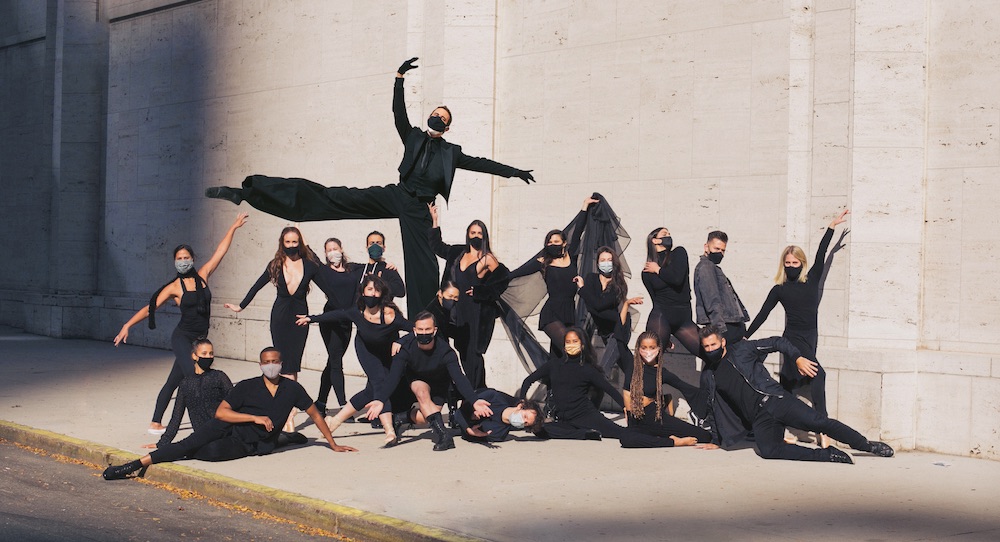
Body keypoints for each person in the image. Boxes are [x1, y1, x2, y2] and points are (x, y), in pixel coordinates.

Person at [205, 57, 534, 318]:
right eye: (434, 113)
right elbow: (398, 114)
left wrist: (515, 172)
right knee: (336, 197)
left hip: (420, 208)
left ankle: (426, 323)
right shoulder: (415, 136)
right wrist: (399, 79)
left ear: (447, 127)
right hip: (396, 195)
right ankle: (248, 193)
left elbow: (482, 163)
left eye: (441, 117)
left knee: (424, 267)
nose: (436, 118)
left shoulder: (452, 153)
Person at [102, 347, 357, 480]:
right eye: (266, 362)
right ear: (260, 365)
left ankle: (286, 438)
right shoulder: (247, 386)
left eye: (275, 361)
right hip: (228, 427)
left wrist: (332, 444)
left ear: (281, 364)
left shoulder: (293, 389)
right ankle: (134, 465)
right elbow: (223, 413)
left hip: (251, 443)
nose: (271, 366)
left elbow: (314, 414)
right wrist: (253, 417)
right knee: (187, 443)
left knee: (210, 453)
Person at [114, 212, 248, 434]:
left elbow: (220, 252)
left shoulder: (203, 275)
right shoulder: (173, 287)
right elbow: (150, 308)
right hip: (182, 338)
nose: (183, 261)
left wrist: (233, 227)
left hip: (199, 341)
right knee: (195, 379)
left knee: (173, 380)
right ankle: (206, 424)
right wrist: (127, 325)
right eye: (179, 258)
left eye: (187, 257)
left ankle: (156, 422)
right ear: (174, 262)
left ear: (193, 259)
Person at [697, 325, 894, 463]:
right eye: (706, 347)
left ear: (722, 342)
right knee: (769, 451)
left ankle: (867, 446)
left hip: (777, 400)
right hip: (759, 417)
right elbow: (713, 407)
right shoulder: (710, 375)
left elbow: (777, 342)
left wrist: (797, 358)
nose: (710, 349)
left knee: (820, 422)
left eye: (713, 345)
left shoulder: (742, 350)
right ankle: (828, 455)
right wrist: (716, 441)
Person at [745, 210, 849, 444]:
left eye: (795, 262)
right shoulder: (779, 289)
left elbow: (822, 254)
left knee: (788, 383)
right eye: (788, 263)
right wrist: (746, 335)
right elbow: (763, 313)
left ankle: (778, 429)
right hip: (791, 339)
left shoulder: (812, 279)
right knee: (818, 376)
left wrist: (831, 227)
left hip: (810, 337)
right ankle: (823, 429)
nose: (791, 266)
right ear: (783, 264)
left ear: (802, 263)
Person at [519, 327, 695, 448]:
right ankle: (585, 434)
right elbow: (528, 380)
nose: (570, 344)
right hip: (564, 419)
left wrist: (629, 408)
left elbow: (612, 391)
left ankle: (669, 440)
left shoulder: (588, 370)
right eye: (568, 341)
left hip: (587, 417)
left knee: (624, 435)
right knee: (541, 431)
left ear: (582, 344)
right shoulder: (553, 365)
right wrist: (523, 402)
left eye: (575, 341)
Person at [226, 227, 322, 431]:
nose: (291, 246)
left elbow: (330, 285)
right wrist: (241, 306)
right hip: (279, 318)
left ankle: (289, 411)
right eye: (288, 242)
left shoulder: (310, 265)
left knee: (292, 366)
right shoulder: (275, 265)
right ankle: (288, 414)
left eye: (295, 242)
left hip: (300, 319)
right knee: (282, 363)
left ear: (300, 243)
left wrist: (326, 314)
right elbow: (257, 286)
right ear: (282, 243)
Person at [296, 275, 411, 447]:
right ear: (363, 291)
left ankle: (335, 421)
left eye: (377, 290)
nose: (373, 294)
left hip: (387, 352)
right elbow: (336, 315)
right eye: (369, 289)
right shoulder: (357, 312)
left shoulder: (388, 314)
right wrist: (311, 318)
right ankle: (389, 430)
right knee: (380, 383)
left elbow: (415, 329)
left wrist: (400, 341)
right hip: (366, 349)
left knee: (371, 391)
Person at [363, 311, 493, 451]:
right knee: (422, 392)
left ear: (434, 330)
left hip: (439, 383)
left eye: (427, 329)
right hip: (417, 378)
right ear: (414, 330)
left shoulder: (446, 352)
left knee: (427, 417)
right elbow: (393, 377)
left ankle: (401, 418)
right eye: (420, 329)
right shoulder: (406, 350)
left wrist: (474, 400)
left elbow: (459, 378)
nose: (424, 333)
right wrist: (381, 399)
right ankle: (444, 437)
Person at [428, 204, 510, 388]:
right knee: (451, 348)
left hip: (473, 311)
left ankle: (478, 392)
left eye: (479, 233)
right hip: (452, 308)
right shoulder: (457, 252)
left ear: (484, 236)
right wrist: (435, 221)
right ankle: (458, 390)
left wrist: (482, 292)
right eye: (472, 232)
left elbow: (504, 279)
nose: (475, 236)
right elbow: (438, 247)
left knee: (472, 354)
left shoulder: (488, 259)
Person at [509, 196, 599, 356]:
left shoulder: (571, 256)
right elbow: (514, 274)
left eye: (556, 242)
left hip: (569, 311)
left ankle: (551, 380)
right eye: (549, 243)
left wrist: (584, 206)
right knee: (572, 348)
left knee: (558, 356)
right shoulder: (543, 262)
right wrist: (485, 285)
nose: (552, 245)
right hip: (551, 313)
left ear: (564, 243)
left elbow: (578, 231)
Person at [143, 338, 233, 449]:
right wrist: (162, 443)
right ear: (194, 356)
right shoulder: (186, 383)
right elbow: (176, 416)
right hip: (201, 436)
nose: (208, 357)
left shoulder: (219, 377)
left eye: (211, 354)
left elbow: (235, 402)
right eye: (204, 353)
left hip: (223, 431)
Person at [623, 331, 712, 444]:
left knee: (704, 436)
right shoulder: (631, 367)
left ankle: (665, 438)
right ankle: (673, 442)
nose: (648, 351)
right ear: (638, 348)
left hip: (655, 418)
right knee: (626, 439)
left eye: (652, 347)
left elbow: (684, 387)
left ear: (659, 348)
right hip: (636, 421)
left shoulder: (661, 373)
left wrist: (712, 401)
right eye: (644, 347)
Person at [312, 237, 358, 414]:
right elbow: (310, 255)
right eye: (329, 250)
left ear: (341, 249)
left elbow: (370, 267)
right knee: (336, 362)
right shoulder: (323, 271)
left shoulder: (352, 269)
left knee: (332, 362)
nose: (333, 252)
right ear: (325, 253)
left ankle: (321, 403)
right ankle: (343, 405)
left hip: (347, 321)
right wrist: (300, 235)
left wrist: (387, 265)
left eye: (335, 248)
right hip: (330, 320)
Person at [642, 227, 700, 357]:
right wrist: (665, 335)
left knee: (709, 352)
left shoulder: (678, 253)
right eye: (665, 234)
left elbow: (677, 279)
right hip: (662, 315)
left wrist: (658, 270)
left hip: (683, 316)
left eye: (669, 234)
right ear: (655, 240)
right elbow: (654, 299)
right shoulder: (646, 271)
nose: (669, 236)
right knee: (651, 358)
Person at [576, 246, 634, 373]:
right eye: (602, 260)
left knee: (603, 369)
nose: (606, 263)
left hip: (619, 328)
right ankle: (648, 388)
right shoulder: (591, 278)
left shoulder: (619, 285)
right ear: (597, 263)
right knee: (630, 368)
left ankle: (589, 393)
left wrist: (582, 289)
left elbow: (598, 305)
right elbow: (592, 308)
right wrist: (589, 297)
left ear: (614, 263)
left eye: (609, 260)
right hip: (604, 331)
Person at [693, 230, 749, 345]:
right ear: (706, 247)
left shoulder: (713, 267)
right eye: (716, 249)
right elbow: (712, 301)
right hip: (725, 327)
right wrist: (719, 332)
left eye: (723, 250)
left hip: (730, 324)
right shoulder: (706, 268)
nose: (720, 253)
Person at [452, 389, 545, 442]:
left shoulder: (499, 435)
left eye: (526, 424)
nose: (522, 421)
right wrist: (471, 416)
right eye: (525, 416)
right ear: (520, 406)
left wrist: (471, 433)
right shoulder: (494, 398)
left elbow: (471, 435)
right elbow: (459, 413)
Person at [355, 230, 406, 300]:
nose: (375, 246)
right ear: (366, 248)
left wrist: (380, 282)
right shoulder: (359, 269)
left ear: (384, 248)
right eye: (371, 243)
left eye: (378, 243)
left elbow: (400, 291)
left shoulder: (388, 269)